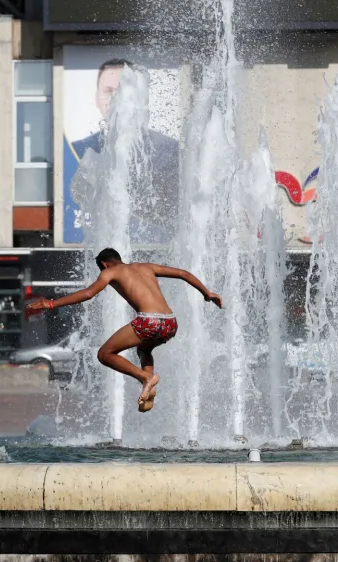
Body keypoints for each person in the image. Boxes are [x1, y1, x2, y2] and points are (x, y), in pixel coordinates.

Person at [26, 248, 222, 413]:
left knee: (104, 354)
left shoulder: (110, 272)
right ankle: (148, 390)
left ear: (104, 264)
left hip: (149, 321)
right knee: (144, 349)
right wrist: (208, 293)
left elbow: (88, 293)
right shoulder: (145, 267)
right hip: (170, 323)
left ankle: (145, 377)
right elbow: (183, 274)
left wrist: (51, 304)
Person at [66, 58, 181, 242]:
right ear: (97, 98)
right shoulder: (80, 149)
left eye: (122, 92)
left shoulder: (170, 151)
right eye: (108, 91)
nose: (115, 99)